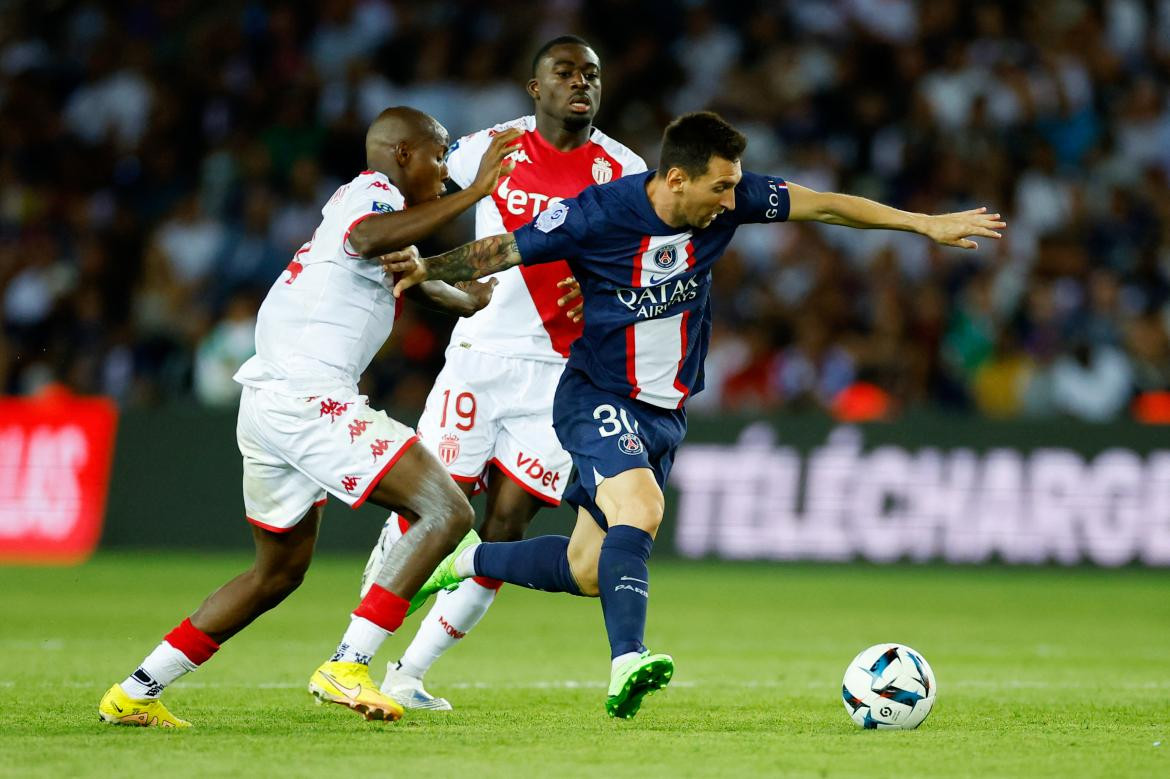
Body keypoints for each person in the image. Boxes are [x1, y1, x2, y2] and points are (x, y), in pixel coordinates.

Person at [384, 111, 1006, 719]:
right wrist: (421, 269)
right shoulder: (599, 212)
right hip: (596, 394)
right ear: (677, 180)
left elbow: (825, 205)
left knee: (589, 570)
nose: (732, 198)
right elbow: (499, 250)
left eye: (736, 183)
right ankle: (628, 660)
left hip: (664, 412)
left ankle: (463, 559)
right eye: (721, 185)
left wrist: (923, 224)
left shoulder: (731, 201)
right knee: (644, 510)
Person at [97, 106, 522, 727]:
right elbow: (367, 240)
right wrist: (481, 191)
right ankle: (349, 662)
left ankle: (136, 690)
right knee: (447, 509)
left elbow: (435, 288)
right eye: (437, 157)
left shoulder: (383, 220)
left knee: (278, 571)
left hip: (271, 399)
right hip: (306, 397)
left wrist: (483, 287)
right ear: (402, 154)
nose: (445, 173)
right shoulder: (369, 195)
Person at [360, 35, 646, 711]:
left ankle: (410, 671)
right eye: (566, 73)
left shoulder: (624, 168)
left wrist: (603, 289)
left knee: (507, 526)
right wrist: (420, 259)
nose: (581, 84)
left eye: (592, 75)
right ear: (534, 86)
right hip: (480, 356)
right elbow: (419, 192)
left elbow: (644, 260)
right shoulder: (485, 148)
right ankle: (354, 653)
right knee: (431, 507)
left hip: (561, 372)